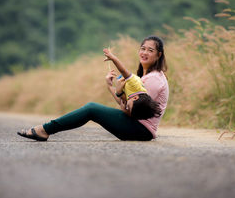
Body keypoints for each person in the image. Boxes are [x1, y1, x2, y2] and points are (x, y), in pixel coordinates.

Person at [17, 35, 169, 141]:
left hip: (141, 130)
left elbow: (130, 112)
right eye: (143, 48)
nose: (144, 53)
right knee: (92, 109)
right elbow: (127, 106)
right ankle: (45, 129)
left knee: (92, 109)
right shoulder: (146, 76)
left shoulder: (154, 79)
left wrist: (119, 91)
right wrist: (111, 88)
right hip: (137, 127)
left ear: (158, 55)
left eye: (150, 50)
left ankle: (45, 130)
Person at [102, 48, 160, 120]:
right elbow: (123, 70)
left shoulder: (136, 97)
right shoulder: (135, 84)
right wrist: (113, 58)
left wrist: (116, 91)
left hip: (123, 85)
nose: (127, 107)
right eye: (128, 107)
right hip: (125, 80)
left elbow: (122, 100)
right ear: (135, 98)